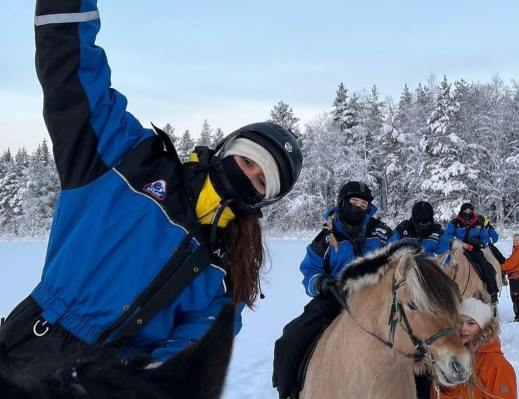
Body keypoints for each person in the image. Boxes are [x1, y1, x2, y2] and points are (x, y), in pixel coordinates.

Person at [0, 0, 303, 375]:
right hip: (30, 346)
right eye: (248, 160)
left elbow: (189, 356)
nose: (248, 176)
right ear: (226, 148)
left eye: (262, 182)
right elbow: (73, 74)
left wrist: (134, 379)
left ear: (264, 201)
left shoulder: (228, 271)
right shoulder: (131, 159)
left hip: (104, 384)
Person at [272, 181, 393, 399]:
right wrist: (321, 283)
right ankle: (288, 390)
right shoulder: (325, 238)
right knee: (291, 338)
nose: (358, 206)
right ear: (342, 203)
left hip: (377, 299)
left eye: (363, 203)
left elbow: (398, 260)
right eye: (354, 201)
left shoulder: (382, 233)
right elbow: (310, 270)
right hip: (335, 297)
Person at [432, 297, 517, 399]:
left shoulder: (498, 366)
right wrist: (450, 388)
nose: (463, 328)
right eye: (459, 322)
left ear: (483, 327)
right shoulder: (449, 358)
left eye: (471, 323)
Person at [443, 203, 499, 301]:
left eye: (470, 211)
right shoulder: (454, 223)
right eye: (466, 211)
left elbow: (485, 237)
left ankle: (492, 292)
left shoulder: (478, 223)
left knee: (487, 267)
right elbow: (446, 236)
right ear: (461, 211)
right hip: (457, 250)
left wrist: (482, 243)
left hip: (474, 250)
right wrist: (457, 242)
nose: (468, 213)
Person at [501, 234, 519, 322]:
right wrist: (504, 262)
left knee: (517, 297)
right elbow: (510, 261)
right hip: (514, 277)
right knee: (516, 296)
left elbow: (512, 263)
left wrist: (500, 266)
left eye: (517, 240)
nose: (515, 242)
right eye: (514, 240)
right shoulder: (517, 250)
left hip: (517, 277)